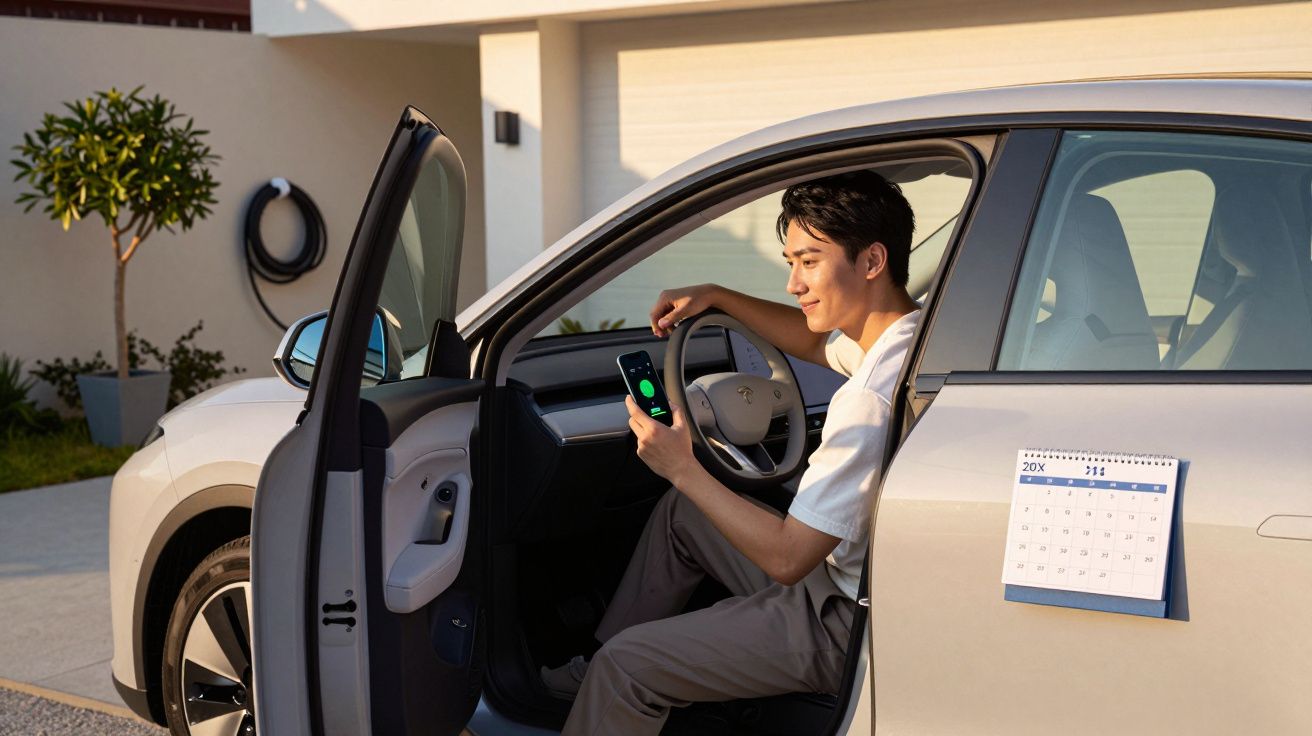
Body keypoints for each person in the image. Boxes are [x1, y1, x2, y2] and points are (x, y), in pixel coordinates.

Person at [546, 170, 921, 735]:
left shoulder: (867, 401)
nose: (793, 283)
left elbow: (789, 559)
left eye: (809, 261)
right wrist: (719, 296)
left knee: (629, 666)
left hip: (840, 621)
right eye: (791, 261)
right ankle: (589, 674)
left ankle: (608, 675)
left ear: (871, 261)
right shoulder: (909, 337)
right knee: (686, 516)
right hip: (848, 583)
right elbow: (816, 341)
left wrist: (681, 466)